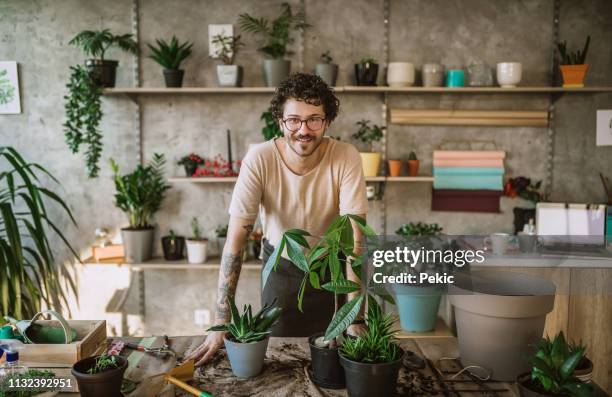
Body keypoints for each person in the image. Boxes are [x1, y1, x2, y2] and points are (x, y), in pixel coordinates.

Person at [186, 73, 369, 366]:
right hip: (281, 268)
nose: (303, 130)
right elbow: (235, 241)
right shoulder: (259, 158)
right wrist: (222, 321)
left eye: (314, 119)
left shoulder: (345, 156)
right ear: (280, 121)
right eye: (294, 120)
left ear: (328, 121)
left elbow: (355, 241)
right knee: (281, 359)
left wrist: (355, 316)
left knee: (333, 361)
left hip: (333, 272)